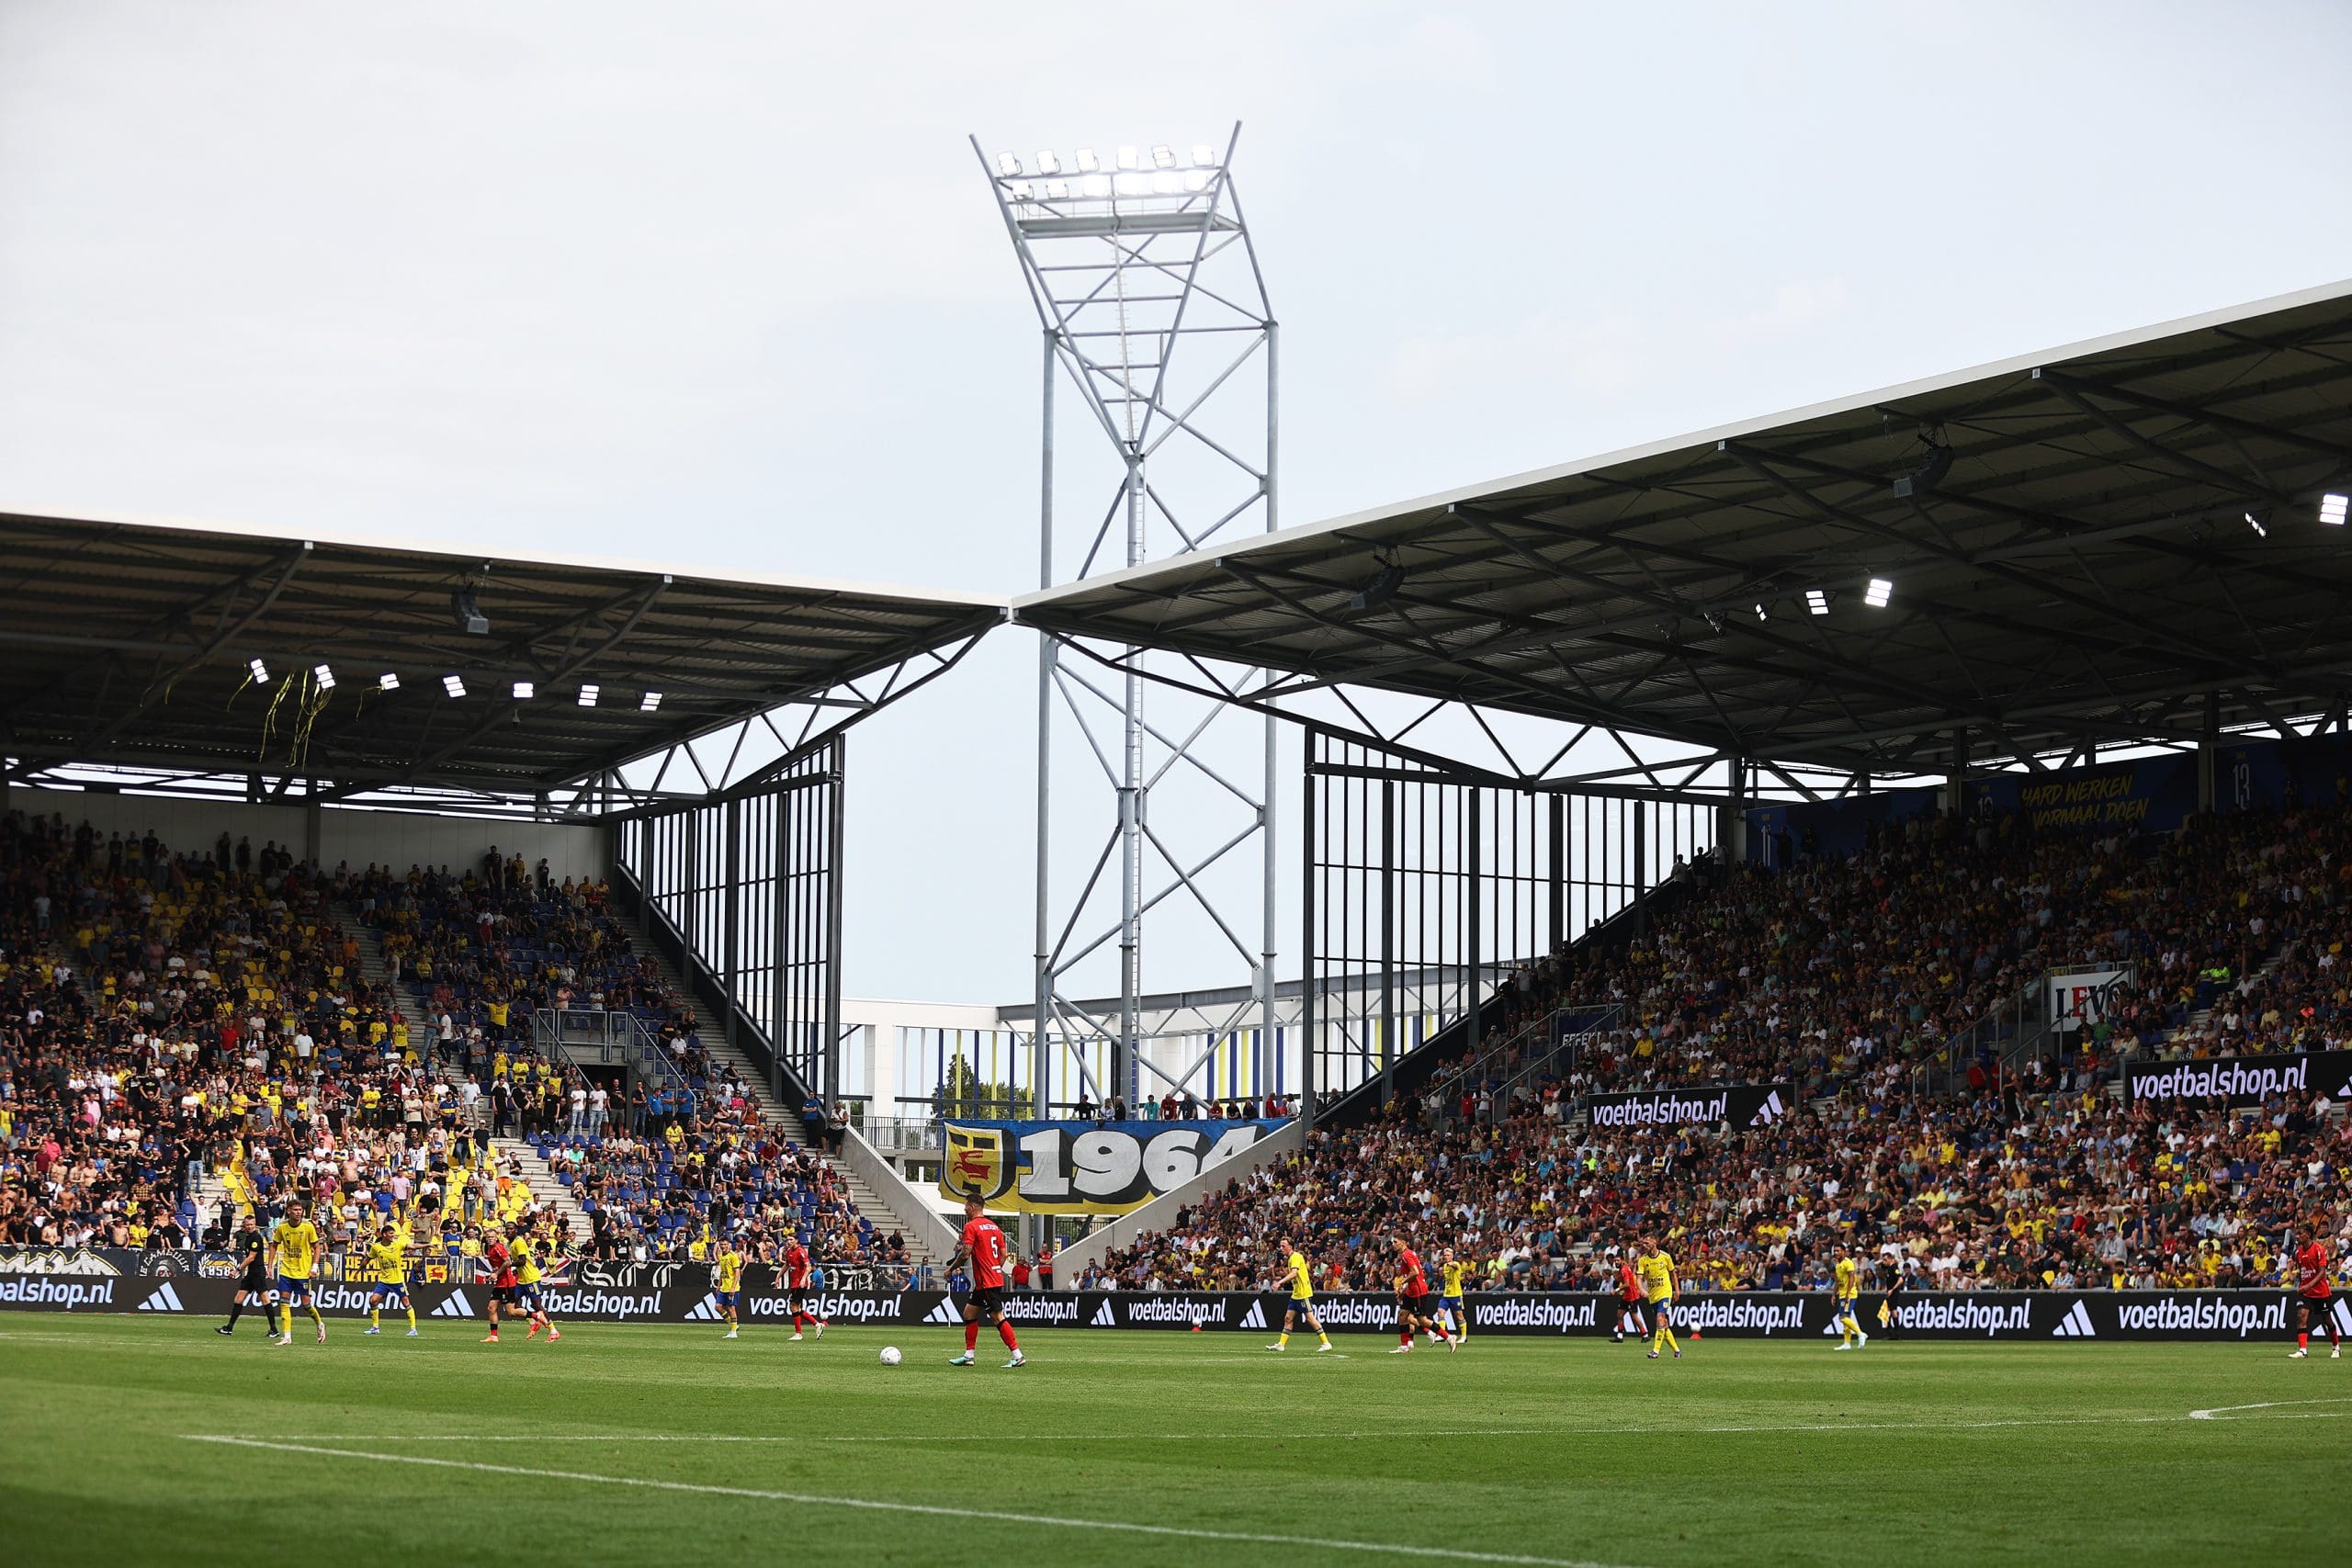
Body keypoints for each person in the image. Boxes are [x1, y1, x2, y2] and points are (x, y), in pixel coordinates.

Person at [946, 1197, 1022, 1369]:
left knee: (997, 1317)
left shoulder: (971, 1226)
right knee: (969, 1313)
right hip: (990, 1279)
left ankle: (1017, 1355)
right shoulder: (994, 1226)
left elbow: (965, 1253)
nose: (964, 1209)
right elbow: (1003, 1254)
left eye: (966, 1206)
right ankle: (969, 1355)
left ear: (973, 1207)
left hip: (987, 1281)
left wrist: (950, 1269)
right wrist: (994, 1268)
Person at [267, 1200, 325, 1347]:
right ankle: (287, 1336)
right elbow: (274, 1246)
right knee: (284, 1302)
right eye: (296, 1210)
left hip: (303, 1271)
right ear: (289, 1211)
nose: (299, 1212)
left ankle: (319, 1323)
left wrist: (314, 1267)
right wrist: (270, 1266)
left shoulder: (308, 1227)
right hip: (286, 1270)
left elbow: (317, 1247)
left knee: (306, 1305)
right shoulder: (282, 1228)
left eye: (300, 1210)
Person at [1265, 1235, 1333, 1353]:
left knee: (1310, 1318)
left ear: (1290, 1247)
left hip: (1303, 1293)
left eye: (1283, 1246)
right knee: (1288, 1318)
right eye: (1280, 1246)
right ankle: (1281, 1344)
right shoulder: (1290, 1258)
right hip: (1296, 1294)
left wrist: (1279, 1283)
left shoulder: (1296, 1257)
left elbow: (1294, 1273)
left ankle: (1326, 1343)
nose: (1281, 1248)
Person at [1389, 1237, 1453, 1354]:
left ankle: (1448, 1337)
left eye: (1395, 1242)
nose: (1393, 1245)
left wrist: (1402, 1283)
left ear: (1402, 1242)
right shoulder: (1406, 1254)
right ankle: (1404, 1346)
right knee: (1403, 1315)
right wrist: (1403, 1291)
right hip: (1411, 1290)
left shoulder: (1406, 1255)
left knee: (1422, 1320)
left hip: (1418, 1291)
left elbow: (1415, 1272)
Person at [2290, 1215, 2342, 1359]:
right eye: (2297, 1233)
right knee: (2301, 1316)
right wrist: (2300, 1283)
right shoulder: (2298, 1253)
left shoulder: (2318, 1249)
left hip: (2321, 1292)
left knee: (2327, 1320)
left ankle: (2336, 1347)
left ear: (2308, 1234)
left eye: (2300, 1233)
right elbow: (2302, 1271)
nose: (2297, 1236)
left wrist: (2309, 1285)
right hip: (2306, 1292)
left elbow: (2322, 1272)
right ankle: (2303, 1350)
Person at [215, 1214, 269, 1337]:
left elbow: (251, 1257)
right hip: (251, 1273)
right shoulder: (248, 1237)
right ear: (244, 1226)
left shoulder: (256, 1238)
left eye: (251, 1225)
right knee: (239, 1299)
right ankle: (229, 1328)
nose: (249, 1227)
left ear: (255, 1225)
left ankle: (274, 1330)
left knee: (265, 1300)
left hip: (257, 1273)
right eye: (247, 1225)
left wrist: (237, 1270)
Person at [363, 1222, 419, 1337]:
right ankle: (375, 1327)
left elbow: (413, 1246)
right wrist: (358, 1271)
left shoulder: (397, 1245)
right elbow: (367, 1259)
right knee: (373, 1300)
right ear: (384, 1234)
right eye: (391, 1233)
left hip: (397, 1280)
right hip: (384, 1281)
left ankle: (413, 1329)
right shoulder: (376, 1247)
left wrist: (427, 1245)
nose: (393, 1235)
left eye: (394, 1233)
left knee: (406, 1303)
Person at [1636, 1235, 1680, 1361]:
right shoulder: (1643, 1260)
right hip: (1653, 1296)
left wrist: (1677, 1290)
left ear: (1654, 1242)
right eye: (1643, 1244)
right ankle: (1677, 1350)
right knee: (1664, 1324)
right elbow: (1639, 1279)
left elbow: (1673, 1274)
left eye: (1646, 1243)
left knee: (1660, 1318)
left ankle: (1655, 1351)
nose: (1644, 1246)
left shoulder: (1665, 1257)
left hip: (1665, 1293)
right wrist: (1642, 1290)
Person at [514, 1224, 560, 1342]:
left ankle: (553, 1330)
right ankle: (533, 1322)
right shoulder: (515, 1244)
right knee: (511, 1303)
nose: (527, 1239)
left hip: (531, 1278)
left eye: (528, 1237)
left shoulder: (521, 1245)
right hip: (522, 1279)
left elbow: (523, 1261)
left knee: (536, 1305)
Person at [784, 1235, 826, 1341]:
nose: (788, 1241)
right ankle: (817, 1324)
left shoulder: (801, 1251)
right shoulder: (789, 1252)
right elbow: (786, 1265)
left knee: (793, 1306)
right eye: (788, 1239)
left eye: (791, 1239)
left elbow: (808, 1267)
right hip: (795, 1283)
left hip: (800, 1284)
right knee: (796, 1308)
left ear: (796, 1240)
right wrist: (778, 1277)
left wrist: (803, 1279)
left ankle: (798, 1333)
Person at [481, 1225, 515, 1344]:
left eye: (492, 1237)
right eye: (488, 1237)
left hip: (506, 1283)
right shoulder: (490, 1249)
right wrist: (493, 1274)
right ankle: (494, 1336)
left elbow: (508, 1262)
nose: (490, 1239)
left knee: (511, 1312)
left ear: (496, 1238)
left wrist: (497, 1274)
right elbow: (498, 1266)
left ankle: (537, 1316)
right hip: (500, 1283)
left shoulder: (498, 1248)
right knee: (491, 1308)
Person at [1831, 1246, 1869, 1351]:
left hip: (1850, 1294)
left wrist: (1848, 1293)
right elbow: (1838, 1281)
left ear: (1843, 1252)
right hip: (1842, 1294)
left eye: (1838, 1251)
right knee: (1846, 1319)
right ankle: (1847, 1343)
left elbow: (1852, 1277)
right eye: (1835, 1251)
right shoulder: (1838, 1265)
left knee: (1842, 1317)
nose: (1836, 1252)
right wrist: (1834, 1294)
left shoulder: (1848, 1262)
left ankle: (1861, 1334)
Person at [1611, 1247, 1648, 1345]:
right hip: (1626, 1296)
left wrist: (1617, 1290)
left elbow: (1627, 1284)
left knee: (1634, 1317)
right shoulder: (1625, 1267)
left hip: (1632, 1296)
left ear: (1622, 1260)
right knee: (1619, 1314)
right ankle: (1620, 1335)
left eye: (1618, 1260)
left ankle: (1645, 1334)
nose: (1616, 1262)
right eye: (1615, 1260)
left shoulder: (1624, 1270)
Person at [1437, 1247, 1471, 1346]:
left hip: (1456, 1295)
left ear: (1452, 1256)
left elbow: (1454, 1266)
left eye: (1448, 1255)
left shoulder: (1456, 1264)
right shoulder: (1444, 1266)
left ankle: (1464, 1337)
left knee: (1459, 1315)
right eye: (1445, 1255)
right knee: (1440, 1311)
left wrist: (1451, 1263)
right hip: (1446, 1295)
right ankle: (1442, 1335)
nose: (1446, 1257)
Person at [715, 1239, 744, 1340]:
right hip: (724, 1287)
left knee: (731, 1308)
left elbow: (737, 1273)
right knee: (718, 1307)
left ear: (728, 1245)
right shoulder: (721, 1255)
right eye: (721, 1244)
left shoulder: (733, 1256)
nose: (723, 1246)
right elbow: (723, 1272)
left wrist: (733, 1287)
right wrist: (719, 1285)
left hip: (733, 1287)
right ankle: (734, 1326)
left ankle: (733, 1331)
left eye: (725, 1244)